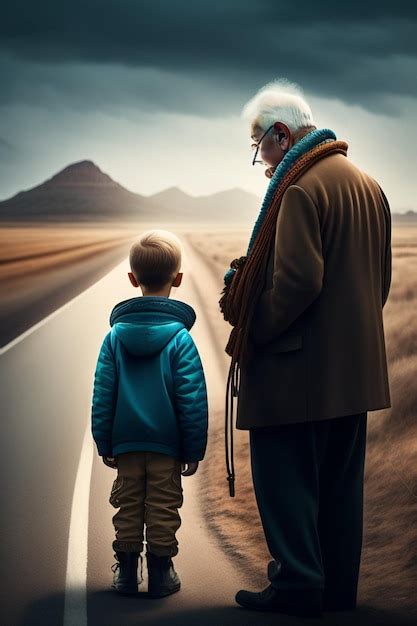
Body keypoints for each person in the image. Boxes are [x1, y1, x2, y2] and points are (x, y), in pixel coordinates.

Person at [219, 79, 392, 618]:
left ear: (280, 132)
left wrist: (253, 328)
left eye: (258, 146)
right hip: (355, 373)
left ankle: (297, 585)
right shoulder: (369, 184)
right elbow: (379, 281)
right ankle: (337, 590)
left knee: (284, 479)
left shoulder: (298, 188)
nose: (259, 161)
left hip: (298, 374)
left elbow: (296, 283)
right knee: (340, 487)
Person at [91, 229, 208, 597]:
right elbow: (191, 399)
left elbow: (103, 394)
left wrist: (103, 440)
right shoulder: (181, 339)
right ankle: (161, 574)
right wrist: (193, 449)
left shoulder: (113, 339)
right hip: (167, 446)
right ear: (178, 279)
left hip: (125, 443)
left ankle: (125, 573)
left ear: (132, 279)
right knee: (163, 506)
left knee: (127, 505)